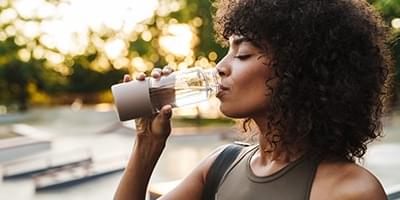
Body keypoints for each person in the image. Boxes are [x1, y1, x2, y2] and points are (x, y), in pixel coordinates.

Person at [114, 0, 393, 199]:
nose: (221, 67)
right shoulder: (220, 166)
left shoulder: (350, 190)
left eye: (243, 53)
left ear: (298, 70)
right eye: (228, 51)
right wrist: (146, 144)